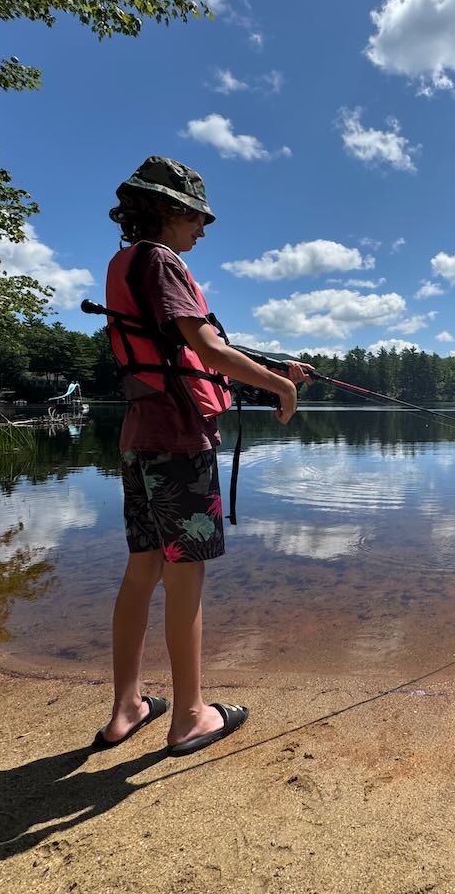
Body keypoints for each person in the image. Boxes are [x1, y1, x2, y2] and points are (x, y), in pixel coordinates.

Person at [93, 156, 310, 756]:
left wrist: (273, 372)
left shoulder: (124, 262)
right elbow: (208, 349)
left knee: (142, 572)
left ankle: (126, 707)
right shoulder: (164, 261)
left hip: (139, 440)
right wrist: (280, 386)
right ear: (166, 209)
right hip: (177, 442)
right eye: (196, 215)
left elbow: (181, 360)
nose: (203, 229)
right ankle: (188, 715)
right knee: (185, 577)